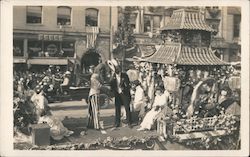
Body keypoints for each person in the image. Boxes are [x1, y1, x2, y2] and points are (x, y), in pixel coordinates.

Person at [108, 59, 132, 129]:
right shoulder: (114, 76)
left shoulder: (125, 75)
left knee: (127, 108)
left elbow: (128, 85)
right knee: (117, 108)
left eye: (118, 70)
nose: (117, 71)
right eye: (116, 70)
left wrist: (123, 87)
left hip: (125, 94)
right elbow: (111, 84)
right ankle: (117, 123)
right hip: (117, 94)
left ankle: (129, 122)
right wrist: (112, 76)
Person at [87, 63, 107, 130]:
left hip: (92, 93)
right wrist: (107, 89)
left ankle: (90, 124)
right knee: (96, 110)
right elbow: (98, 85)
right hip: (95, 93)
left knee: (91, 110)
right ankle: (96, 125)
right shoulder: (95, 76)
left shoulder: (95, 75)